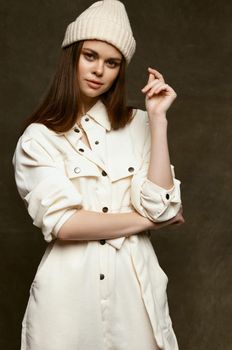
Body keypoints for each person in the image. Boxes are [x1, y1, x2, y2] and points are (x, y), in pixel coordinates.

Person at [12, 1, 184, 349]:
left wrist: (158, 120)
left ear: (121, 70)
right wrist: (146, 222)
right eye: (90, 56)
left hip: (136, 299)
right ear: (71, 56)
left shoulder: (139, 125)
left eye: (112, 62)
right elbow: (65, 224)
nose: (99, 71)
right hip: (67, 307)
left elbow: (162, 205)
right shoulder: (38, 138)